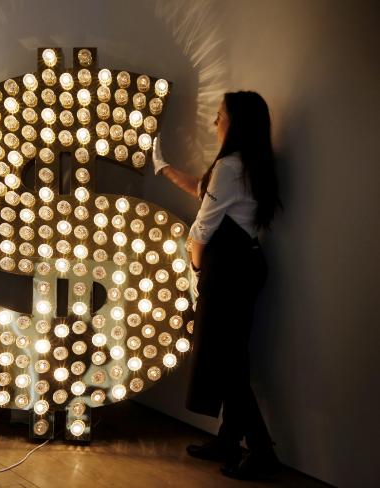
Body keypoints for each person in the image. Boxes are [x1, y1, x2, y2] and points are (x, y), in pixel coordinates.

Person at [152, 91, 282, 480]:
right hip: (246, 265)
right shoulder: (249, 164)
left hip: (227, 271)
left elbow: (202, 227)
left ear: (234, 122)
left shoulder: (230, 166)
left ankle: (260, 450)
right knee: (231, 359)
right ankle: (229, 439)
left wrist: (196, 269)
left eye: (220, 115)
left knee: (226, 364)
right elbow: (204, 191)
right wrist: (164, 169)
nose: (215, 121)